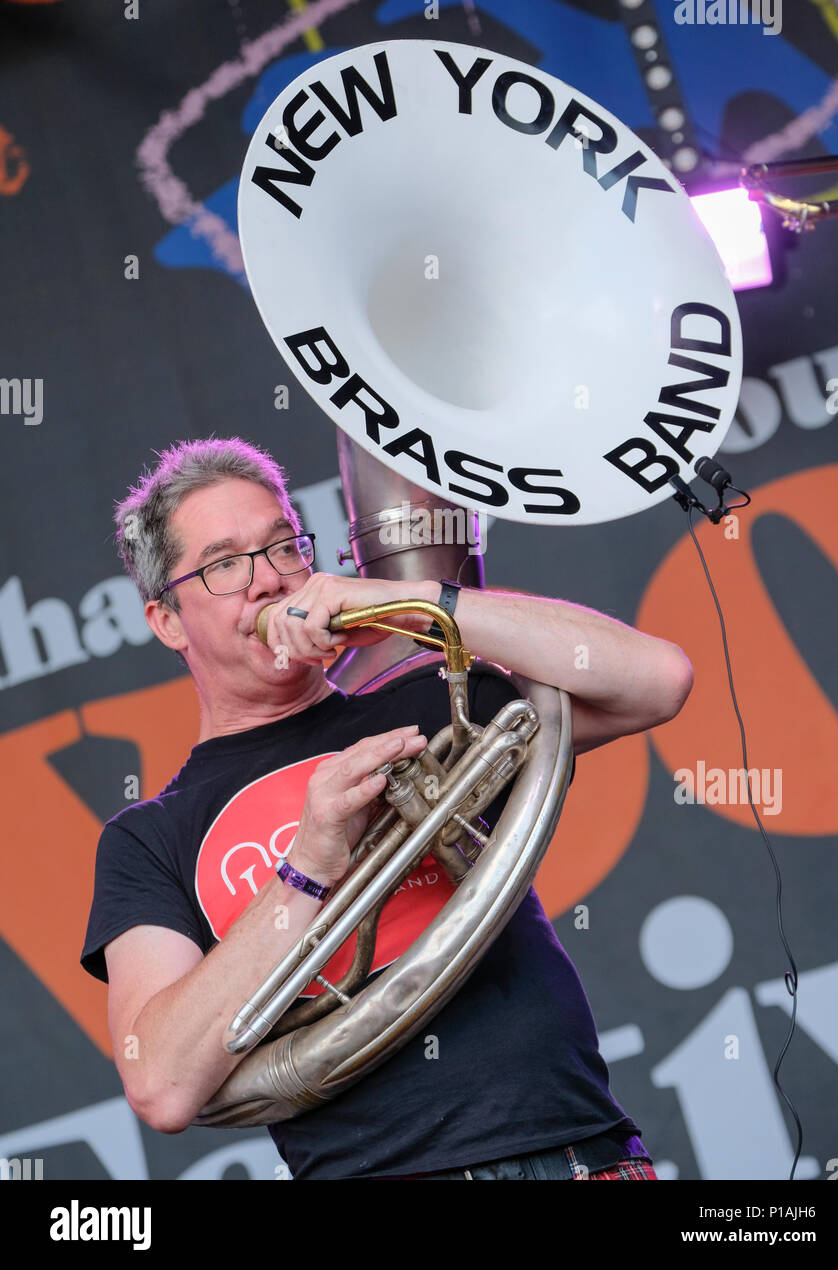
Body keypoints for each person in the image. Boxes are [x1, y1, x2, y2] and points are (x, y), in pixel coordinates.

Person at [81, 435, 693, 1181]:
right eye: (225, 565)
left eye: (284, 548)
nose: (269, 582)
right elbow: (162, 1085)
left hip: (574, 1152)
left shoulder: (435, 698)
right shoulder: (149, 838)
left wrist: (408, 604)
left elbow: (657, 680)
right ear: (167, 621)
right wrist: (306, 865)